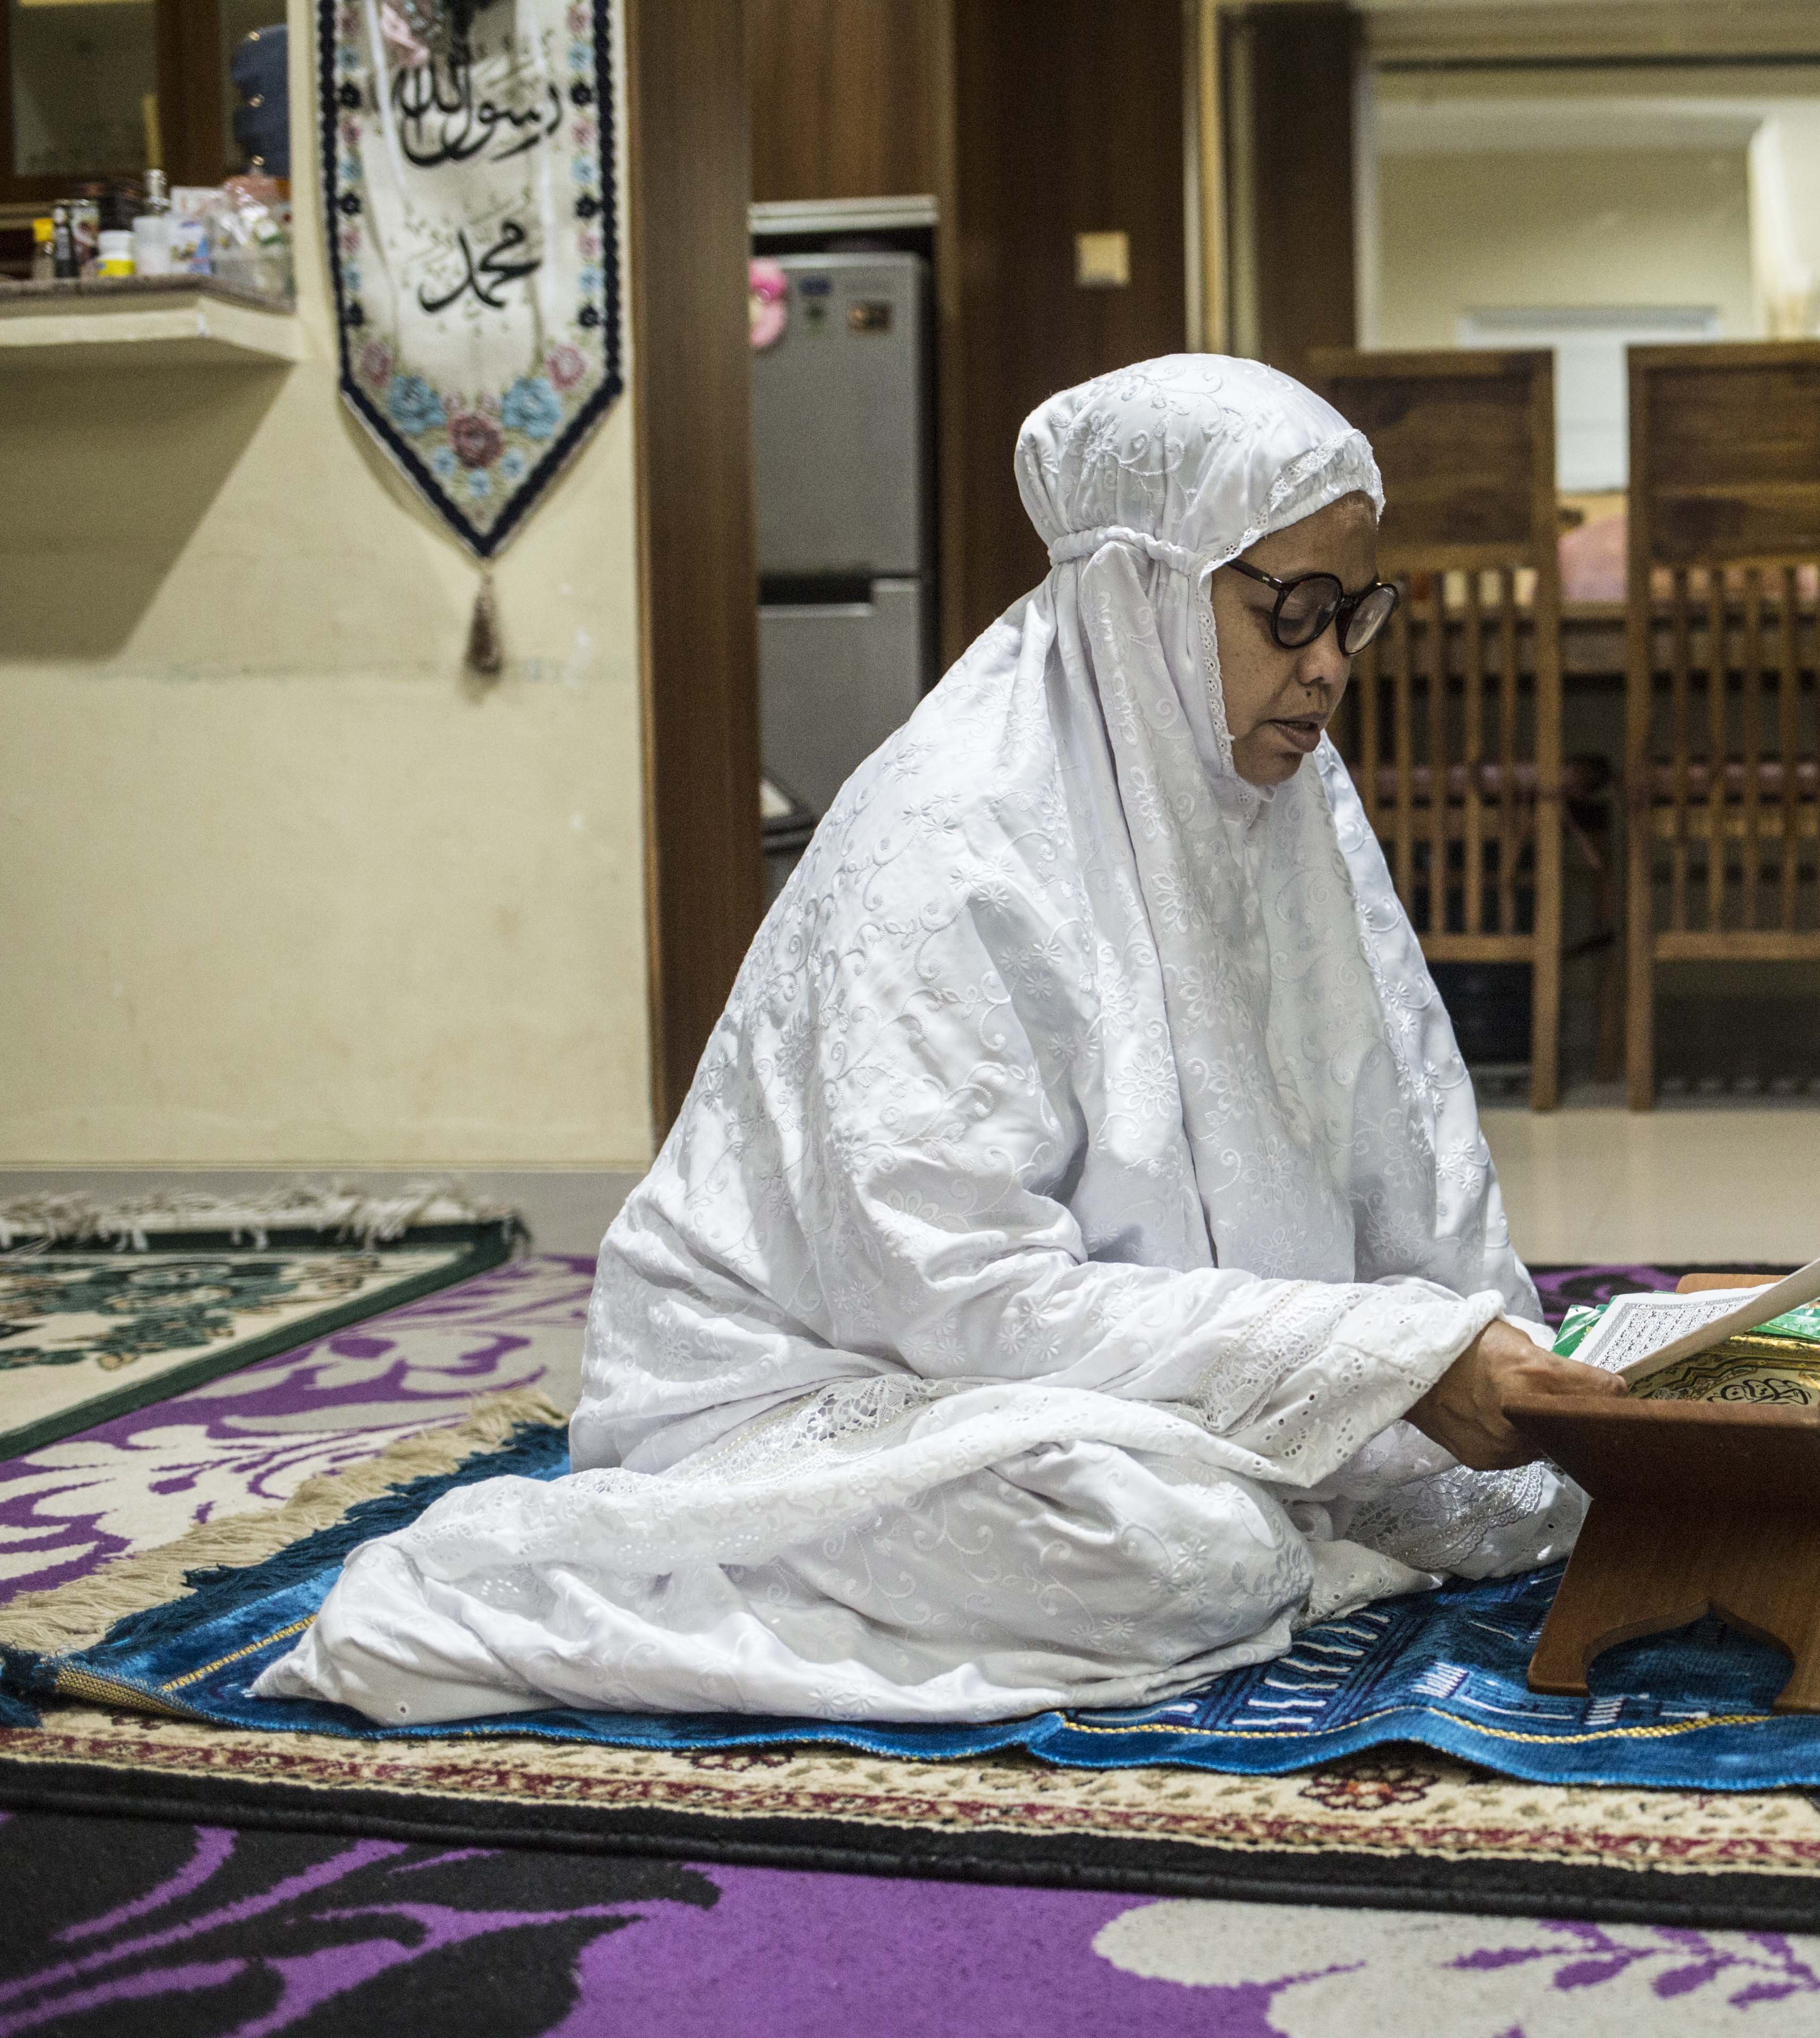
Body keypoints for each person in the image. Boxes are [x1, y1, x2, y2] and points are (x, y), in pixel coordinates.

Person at [258, 356, 1619, 1728]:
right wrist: (1383, 1361)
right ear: (1140, 590)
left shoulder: (1291, 796)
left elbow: (1408, 1159)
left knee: (1516, 1483)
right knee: (1182, 1554)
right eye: (1292, 612)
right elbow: (964, 1303)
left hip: (1099, 1378)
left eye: (1354, 614)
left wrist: (1488, 1355)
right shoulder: (957, 834)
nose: (1329, 667)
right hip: (838, 1386)